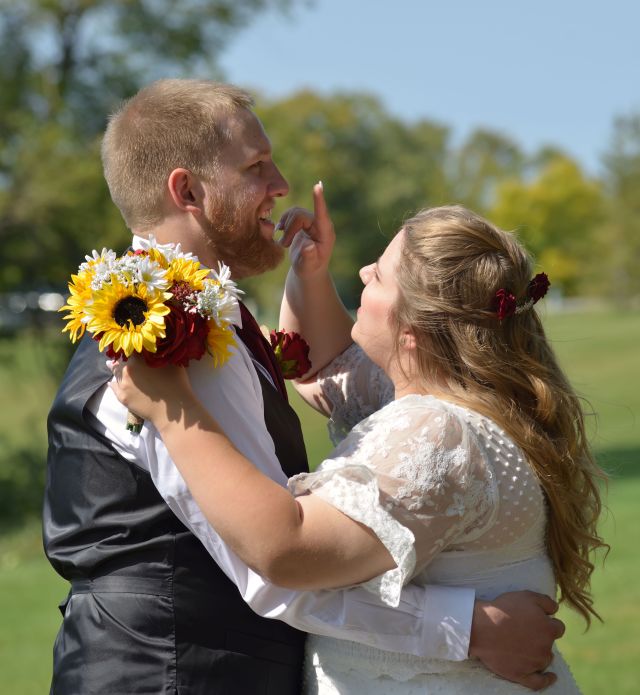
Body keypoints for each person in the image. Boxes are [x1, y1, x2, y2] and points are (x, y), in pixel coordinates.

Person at [44, 78, 565, 694]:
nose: (281, 183)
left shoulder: (206, 319)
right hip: (167, 675)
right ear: (187, 191)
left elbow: (329, 370)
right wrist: (467, 630)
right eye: (257, 165)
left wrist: (307, 275)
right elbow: (275, 564)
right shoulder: (160, 348)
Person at [111, 202, 606, 693]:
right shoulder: (466, 395)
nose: (365, 270)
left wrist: (174, 412)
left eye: (381, 276)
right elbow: (324, 366)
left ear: (412, 332)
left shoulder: (436, 432)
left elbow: (290, 550)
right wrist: (310, 271)